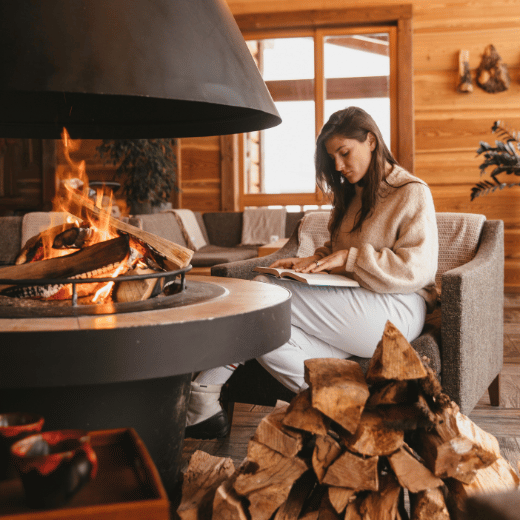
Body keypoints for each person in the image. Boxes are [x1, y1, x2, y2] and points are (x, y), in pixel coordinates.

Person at [184, 106, 438, 439]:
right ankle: (340, 406)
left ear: (371, 141)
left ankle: (202, 393)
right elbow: (338, 250)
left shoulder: (411, 192)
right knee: (267, 331)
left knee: (264, 292)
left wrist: (348, 258)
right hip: (354, 308)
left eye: (344, 153)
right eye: (332, 157)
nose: (338, 166)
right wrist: (310, 261)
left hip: (398, 307)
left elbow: (416, 268)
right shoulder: (352, 196)